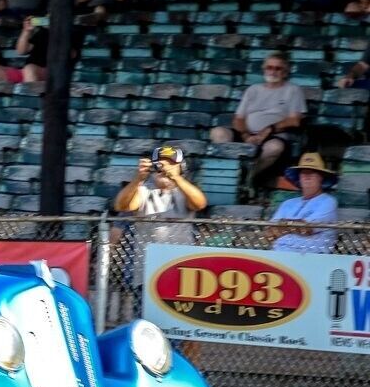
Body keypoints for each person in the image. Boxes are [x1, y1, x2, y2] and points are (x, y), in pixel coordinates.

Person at [210, 53, 306, 192]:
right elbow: (238, 119)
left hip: (274, 135)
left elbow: (294, 120)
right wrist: (245, 135)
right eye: (269, 67)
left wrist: (269, 130)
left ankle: (249, 177)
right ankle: (230, 173)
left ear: (285, 72)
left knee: (274, 147)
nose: (273, 71)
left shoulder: (293, 90)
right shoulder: (253, 89)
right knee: (218, 133)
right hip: (247, 134)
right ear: (264, 69)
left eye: (278, 68)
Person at [112, 145, 207, 245]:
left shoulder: (185, 191)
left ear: (181, 168)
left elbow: (199, 204)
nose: (165, 169)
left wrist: (176, 177)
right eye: (160, 164)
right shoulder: (143, 190)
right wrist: (138, 178)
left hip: (180, 257)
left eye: (172, 164)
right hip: (147, 257)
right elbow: (122, 206)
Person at [268, 154, 340, 254]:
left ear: (321, 177)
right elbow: (271, 231)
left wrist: (284, 225)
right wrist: (297, 226)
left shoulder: (328, 202)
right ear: (299, 178)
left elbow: (308, 228)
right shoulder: (287, 203)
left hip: (314, 259)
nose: (307, 175)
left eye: (312, 172)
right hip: (280, 257)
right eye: (303, 172)